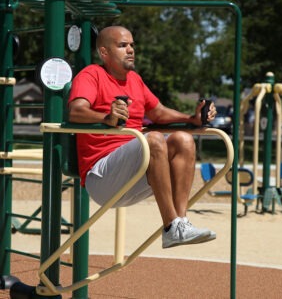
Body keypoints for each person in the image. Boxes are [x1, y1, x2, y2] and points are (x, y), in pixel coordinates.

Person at [68, 26, 217, 249]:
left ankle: (180, 224)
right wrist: (106, 117)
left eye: (132, 45)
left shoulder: (135, 80)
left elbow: (158, 112)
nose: (130, 50)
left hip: (133, 175)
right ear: (104, 52)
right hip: (101, 176)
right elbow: (75, 111)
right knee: (154, 139)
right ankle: (171, 226)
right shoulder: (92, 75)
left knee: (183, 140)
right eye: (122, 45)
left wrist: (192, 118)